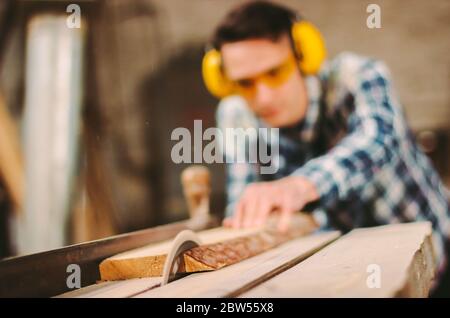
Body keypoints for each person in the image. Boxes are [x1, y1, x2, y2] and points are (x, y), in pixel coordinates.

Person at [201, 0, 449, 292]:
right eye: (245, 83)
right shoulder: (236, 114)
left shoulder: (356, 76)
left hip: (437, 263)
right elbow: (245, 210)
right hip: (361, 280)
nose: (263, 97)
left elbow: (378, 141)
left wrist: (300, 186)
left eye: (275, 73)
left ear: (304, 55)